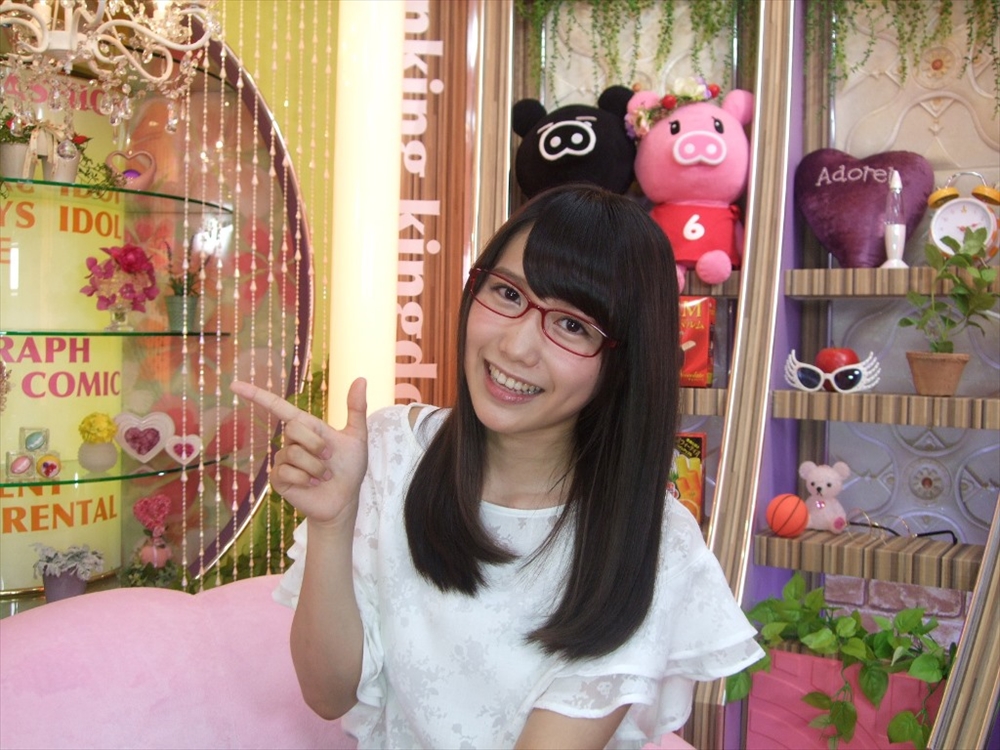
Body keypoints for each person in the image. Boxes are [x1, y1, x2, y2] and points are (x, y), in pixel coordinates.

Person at [232, 184, 762, 750]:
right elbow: (327, 694)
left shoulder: (650, 540)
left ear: (624, 362)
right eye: (508, 294)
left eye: (573, 325)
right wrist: (332, 523)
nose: (516, 347)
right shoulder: (388, 456)